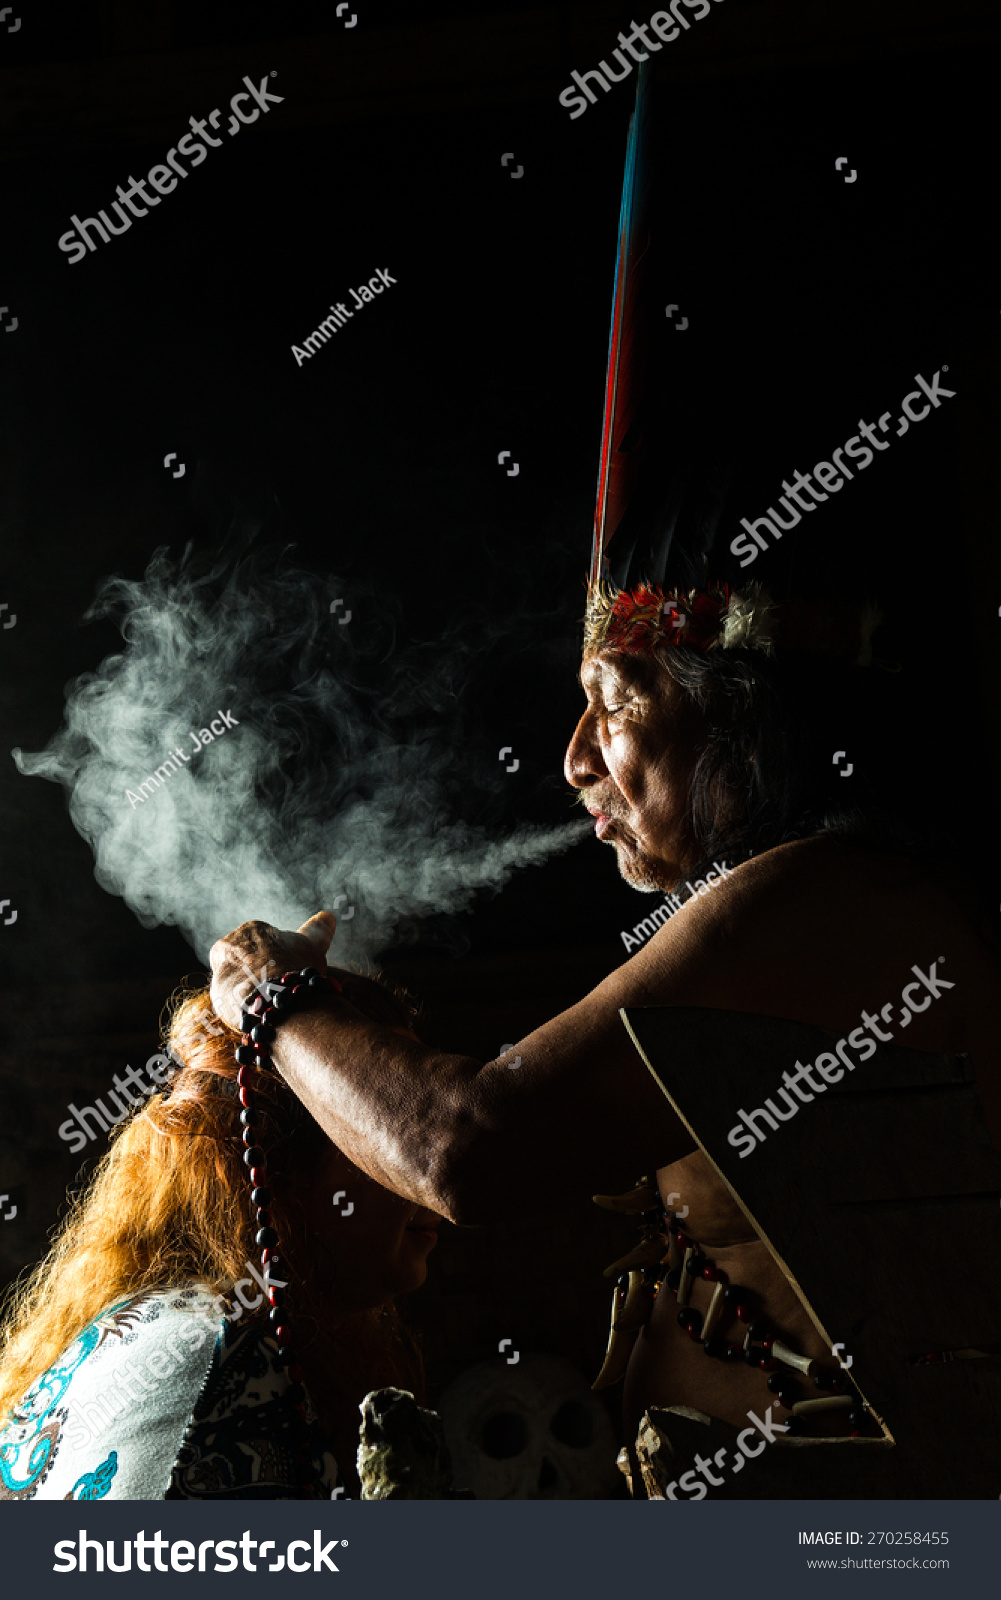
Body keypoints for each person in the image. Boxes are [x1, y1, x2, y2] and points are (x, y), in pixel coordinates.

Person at [205, 578, 1001, 1497]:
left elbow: (463, 1146)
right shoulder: (835, 894)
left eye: (617, 697)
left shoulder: (820, 901)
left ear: (743, 712)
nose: (576, 757)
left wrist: (275, 998)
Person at [0, 971, 440, 1501]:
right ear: (280, 1163)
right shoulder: (228, 1357)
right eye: (390, 1130)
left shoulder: (175, 1322)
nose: (422, 1173)